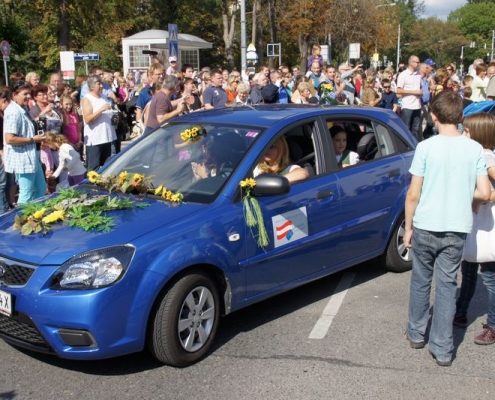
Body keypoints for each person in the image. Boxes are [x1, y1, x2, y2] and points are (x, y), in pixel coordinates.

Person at [404, 91, 491, 367]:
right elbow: (485, 191)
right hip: (456, 228)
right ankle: (442, 348)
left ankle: (416, 333)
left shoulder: (426, 147)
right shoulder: (474, 149)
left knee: (420, 281)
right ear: (461, 117)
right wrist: (466, 198)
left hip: (426, 224)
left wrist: (408, 227)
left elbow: (413, 194)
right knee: (446, 286)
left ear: (433, 116)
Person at [453, 112, 495, 346]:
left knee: (488, 277)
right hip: (476, 225)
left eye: (467, 131)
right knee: (468, 273)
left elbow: (487, 191)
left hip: (485, 227)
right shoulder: (480, 156)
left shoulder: (487, 158)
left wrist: (482, 198)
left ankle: (492, 325)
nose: (463, 133)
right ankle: (460, 312)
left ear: (478, 134)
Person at [3, 81, 47, 204]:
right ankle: (20, 220)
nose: (28, 97)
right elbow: (9, 138)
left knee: (41, 188)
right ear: (14, 95)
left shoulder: (22, 109)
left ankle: (36, 216)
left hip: (32, 156)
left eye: (29, 94)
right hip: (23, 159)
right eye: (25, 94)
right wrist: (33, 139)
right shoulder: (13, 112)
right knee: (26, 194)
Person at [81, 75, 116, 172]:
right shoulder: (87, 99)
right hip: (95, 139)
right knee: (94, 169)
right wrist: (101, 110)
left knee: (107, 166)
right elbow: (88, 119)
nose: (101, 86)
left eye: (101, 84)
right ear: (92, 86)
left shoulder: (104, 97)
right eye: (98, 84)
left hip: (107, 136)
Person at [397, 55, 423, 141]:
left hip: (417, 105)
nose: (419, 64)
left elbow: (420, 87)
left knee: (415, 129)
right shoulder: (403, 75)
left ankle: (414, 145)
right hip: (407, 105)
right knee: (406, 128)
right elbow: (399, 90)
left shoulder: (418, 74)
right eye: (417, 62)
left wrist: (421, 92)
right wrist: (414, 92)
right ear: (411, 63)